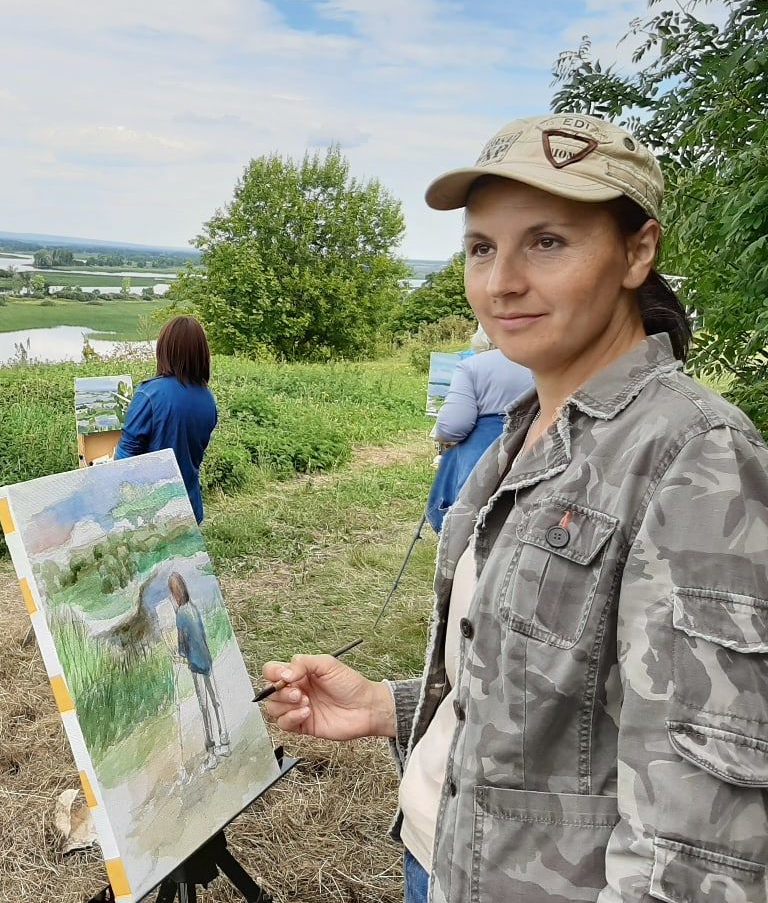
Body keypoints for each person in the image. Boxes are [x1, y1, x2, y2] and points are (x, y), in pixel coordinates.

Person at [260, 113, 768, 903]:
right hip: (443, 855)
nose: (501, 282)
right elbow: (566, 694)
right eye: (482, 248)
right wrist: (390, 706)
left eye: (548, 242)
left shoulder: (693, 456)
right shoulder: (524, 433)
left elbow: (697, 829)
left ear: (639, 251)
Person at [424, 325, 533, 531]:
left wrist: (442, 437)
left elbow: (452, 427)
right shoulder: (551, 364)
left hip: (482, 462)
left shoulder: (473, 366)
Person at [115, 315, 217, 524]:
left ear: (164, 350)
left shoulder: (151, 393)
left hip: (153, 511)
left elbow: (125, 456)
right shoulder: (208, 399)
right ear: (201, 353)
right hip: (189, 505)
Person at [167, 570, 229, 768]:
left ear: (175, 593)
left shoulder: (181, 616)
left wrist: (178, 655)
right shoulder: (193, 608)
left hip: (195, 663)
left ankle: (211, 753)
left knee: (204, 708)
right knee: (215, 701)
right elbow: (200, 635)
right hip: (207, 660)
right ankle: (224, 740)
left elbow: (182, 647)